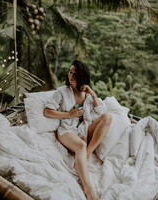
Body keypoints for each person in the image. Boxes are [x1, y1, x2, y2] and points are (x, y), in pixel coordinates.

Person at [44, 60, 112, 200]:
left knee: (107, 117)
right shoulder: (61, 91)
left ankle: (87, 153)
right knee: (81, 145)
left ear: (82, 76)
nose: (71, 76)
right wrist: (69, 115)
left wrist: (92, 93)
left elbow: (101, 110)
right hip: (67, 130)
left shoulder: (86, 94)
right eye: (70, 72)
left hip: (84, 130)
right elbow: (47, 111)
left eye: (75, 73)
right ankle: (88, 189)